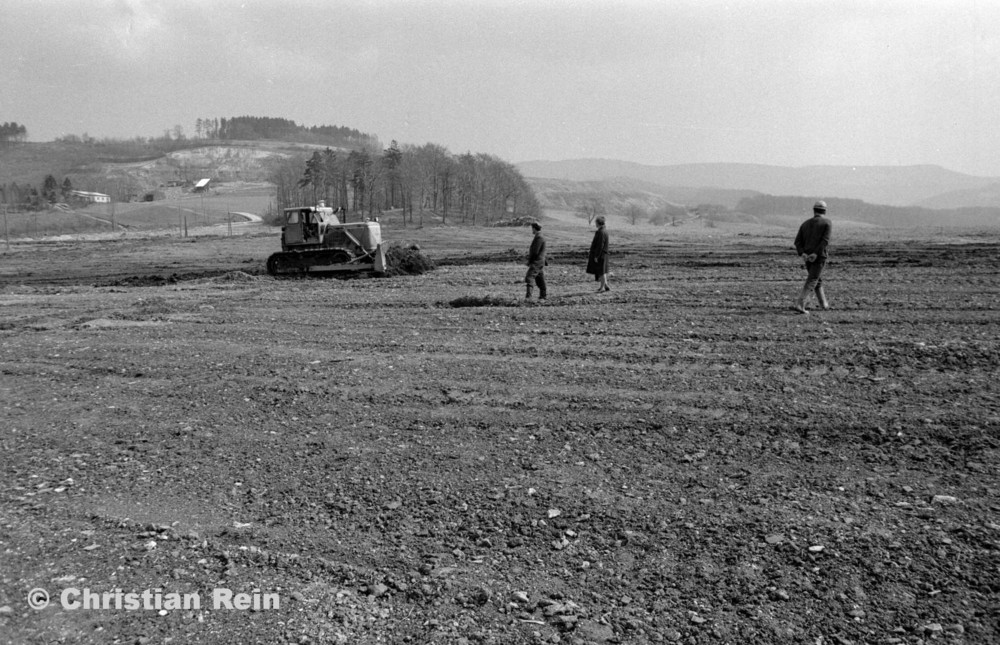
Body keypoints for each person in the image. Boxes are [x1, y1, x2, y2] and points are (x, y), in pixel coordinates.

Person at [792, 200, 832, 314]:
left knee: (816, 279)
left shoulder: (805, 224)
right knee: (813, 279)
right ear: (825, 210)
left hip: (807, 257)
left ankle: (823, 304)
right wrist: (816, 253)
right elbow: (825, 241)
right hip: (819, 257)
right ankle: (800, 303)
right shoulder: (827, 223)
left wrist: (803, 253)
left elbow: (797, 242)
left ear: (814, 210)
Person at [586, 216, 610, 292]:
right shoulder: (604, 231)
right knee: (603, 271)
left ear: (598, 223)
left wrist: (596, 256)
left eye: (596, 222)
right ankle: (605, 285)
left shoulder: (601, 232)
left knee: (601, 272)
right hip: (604, 254)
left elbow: (600, 245)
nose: (595, 224)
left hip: (601, 255)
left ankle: (602, 288)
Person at [525, 222, 547, 300]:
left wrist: (530, 261)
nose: (532, 230)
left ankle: (528, 297)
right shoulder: (539, 236)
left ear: (534, 228)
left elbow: (535, 251)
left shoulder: (539, 237)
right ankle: (543, 296)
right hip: (540, 261)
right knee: (539, 278)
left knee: (529, 277)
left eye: (532, 228)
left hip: (537, 261)